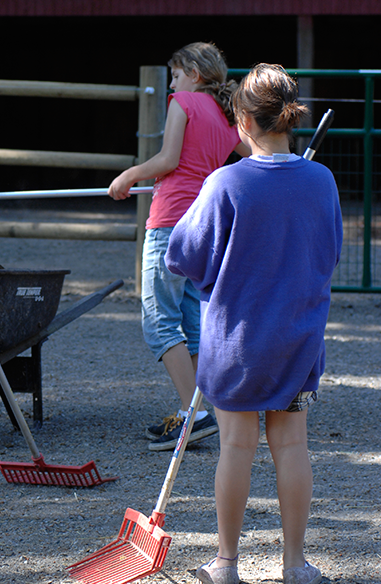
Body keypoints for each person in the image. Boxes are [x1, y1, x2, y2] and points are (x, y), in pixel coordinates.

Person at [165, 64, 342, 584]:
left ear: (242, 119)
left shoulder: (227, 181)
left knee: (236, 446)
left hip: (237, 342)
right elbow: (329, 254)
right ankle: (295, 564)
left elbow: (185, 254)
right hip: (297, 339)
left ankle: (225, 563)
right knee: (292, 445)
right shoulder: (321, 180)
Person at [108, 42, 249, 451]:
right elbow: (254, 154)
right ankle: (204, 412)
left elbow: (169, 160)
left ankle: (194, 415)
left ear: (194, 73)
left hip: (169, 222)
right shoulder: (227, 115)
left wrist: (130, 174)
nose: (172, 82)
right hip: (204, 227)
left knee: (159, 323)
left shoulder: (183, 101)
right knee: (192, 323)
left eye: (175, 73)